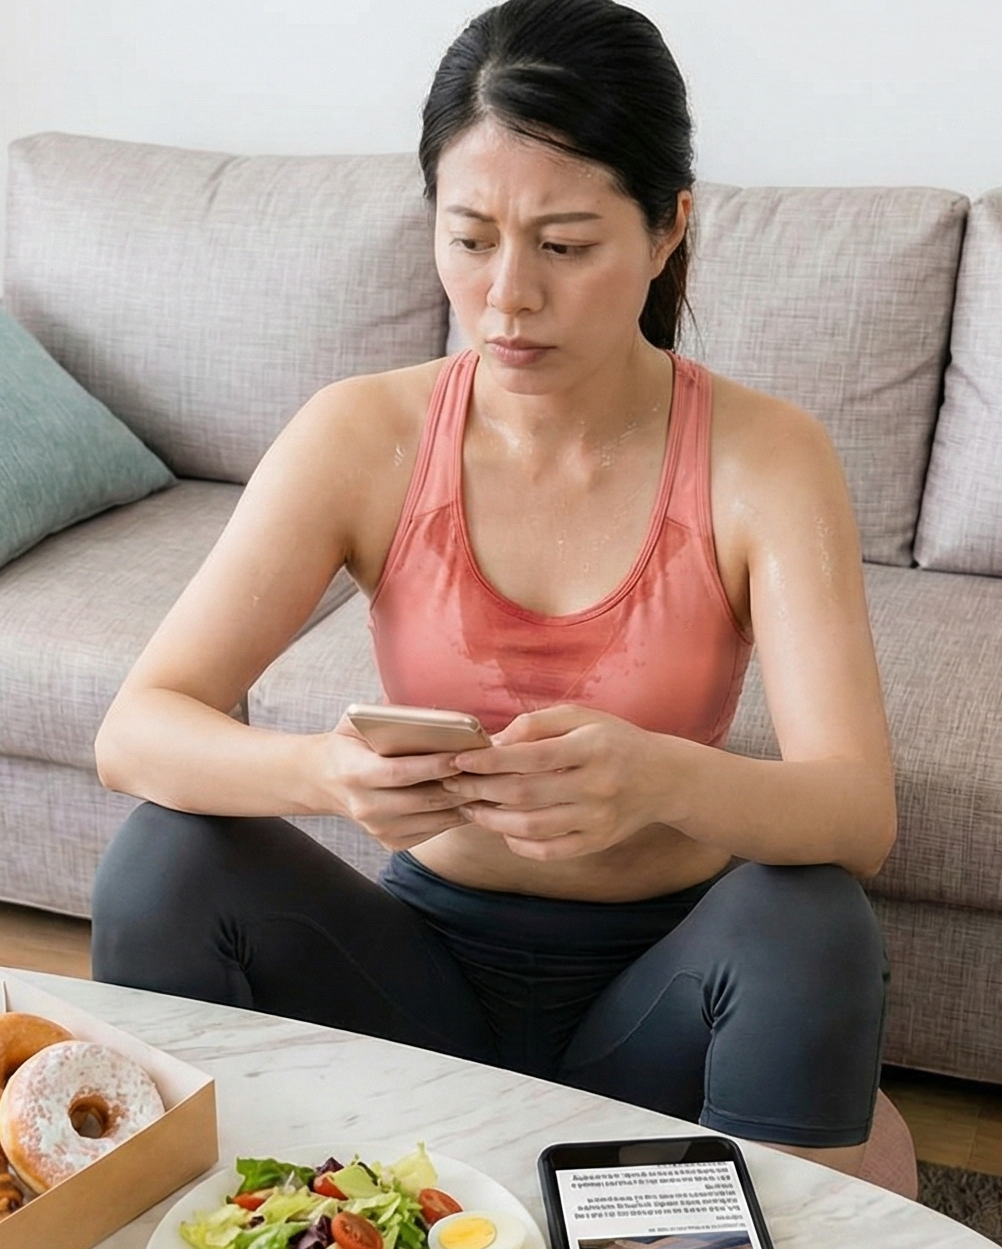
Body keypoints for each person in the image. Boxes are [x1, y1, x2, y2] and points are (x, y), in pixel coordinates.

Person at [90, 0, 895, 1174]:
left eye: (563, 246)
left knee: (811, 918)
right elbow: (136, 730)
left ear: (667, 229)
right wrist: (324, 774)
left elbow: (854, 814)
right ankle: (219, 1227)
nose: (507, 298)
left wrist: (659, 778)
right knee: (164, 858)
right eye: (470, 240)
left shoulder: (764, 457)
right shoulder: (360, 434)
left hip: (662, 996)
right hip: (420, 988)